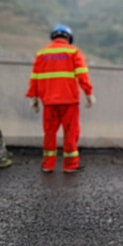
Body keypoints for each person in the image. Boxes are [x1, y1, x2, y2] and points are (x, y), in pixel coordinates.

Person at [25, 24, 95, 173]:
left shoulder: (42, 53)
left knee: (49, 133)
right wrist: (89, 94)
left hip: (49, 101)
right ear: (68, 37)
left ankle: (48, 165)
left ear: (53, 37)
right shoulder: (73, 51)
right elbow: (82, 75)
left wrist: (33, 97)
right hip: (69, 101)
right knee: (70, 133)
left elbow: (34, 77)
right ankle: (70, 165)